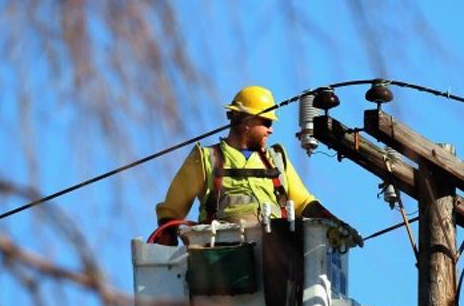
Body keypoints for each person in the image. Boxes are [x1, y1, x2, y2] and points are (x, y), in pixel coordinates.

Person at [153, 85, 362, 247]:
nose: (271, 131)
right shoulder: (205, 158)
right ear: (247, 122)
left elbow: (304, 204)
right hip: (223, 251)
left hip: (277, 250)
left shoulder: (276, 159)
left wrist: (337, 225)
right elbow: (171, 211)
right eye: (267, 123)